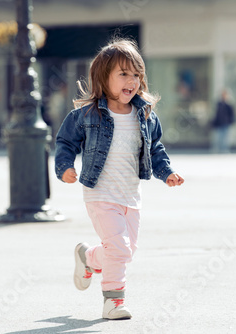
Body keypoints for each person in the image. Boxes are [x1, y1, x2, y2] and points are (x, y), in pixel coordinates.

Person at [54, 39, 184, 320]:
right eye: (123, 74)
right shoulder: (87, 115)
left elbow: (155, 149)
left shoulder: (146, 115)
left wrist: (167, 173)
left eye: (136, 74)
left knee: (125, 251)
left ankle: (87, 258)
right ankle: (113, 302)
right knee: (120, 249)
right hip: (100, 195)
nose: (132, 81)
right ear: (104, 77)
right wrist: (65, 167)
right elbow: (65, 142)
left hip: (131, 196)